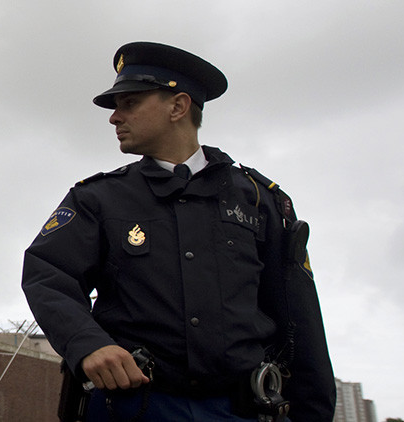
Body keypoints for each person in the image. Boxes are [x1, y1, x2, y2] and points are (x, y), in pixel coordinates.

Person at [22, 41, 336, 421]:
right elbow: (47, 274)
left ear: (178, 106)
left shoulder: (258, 199)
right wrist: (87, 345)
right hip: (135, 408)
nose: (114, 117)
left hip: (242, 409)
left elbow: (299, 318)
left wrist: (314, 412)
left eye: (130, 103)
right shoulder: (99, 199)